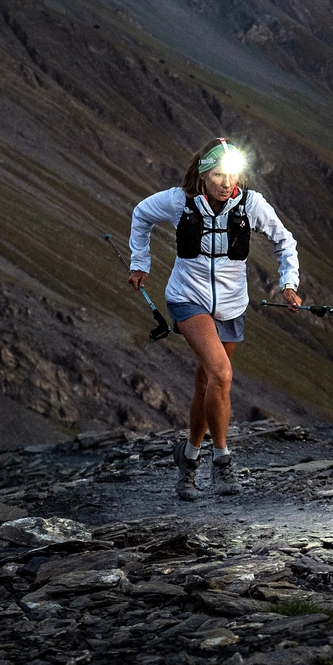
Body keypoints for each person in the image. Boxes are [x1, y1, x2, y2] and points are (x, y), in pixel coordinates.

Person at [129, 138, 301, 500]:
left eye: (233, 174)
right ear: (203, 174)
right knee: (222, 374)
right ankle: (222, 461)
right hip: (187, 299)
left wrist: (289, 283)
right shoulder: (180, 201)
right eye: (219, 174)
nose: (227, 182)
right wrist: (140, 262)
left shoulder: (250, 205)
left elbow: (284, 241)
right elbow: (142, 213)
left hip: (232, 307)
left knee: (208, 384)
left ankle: (188, 457)